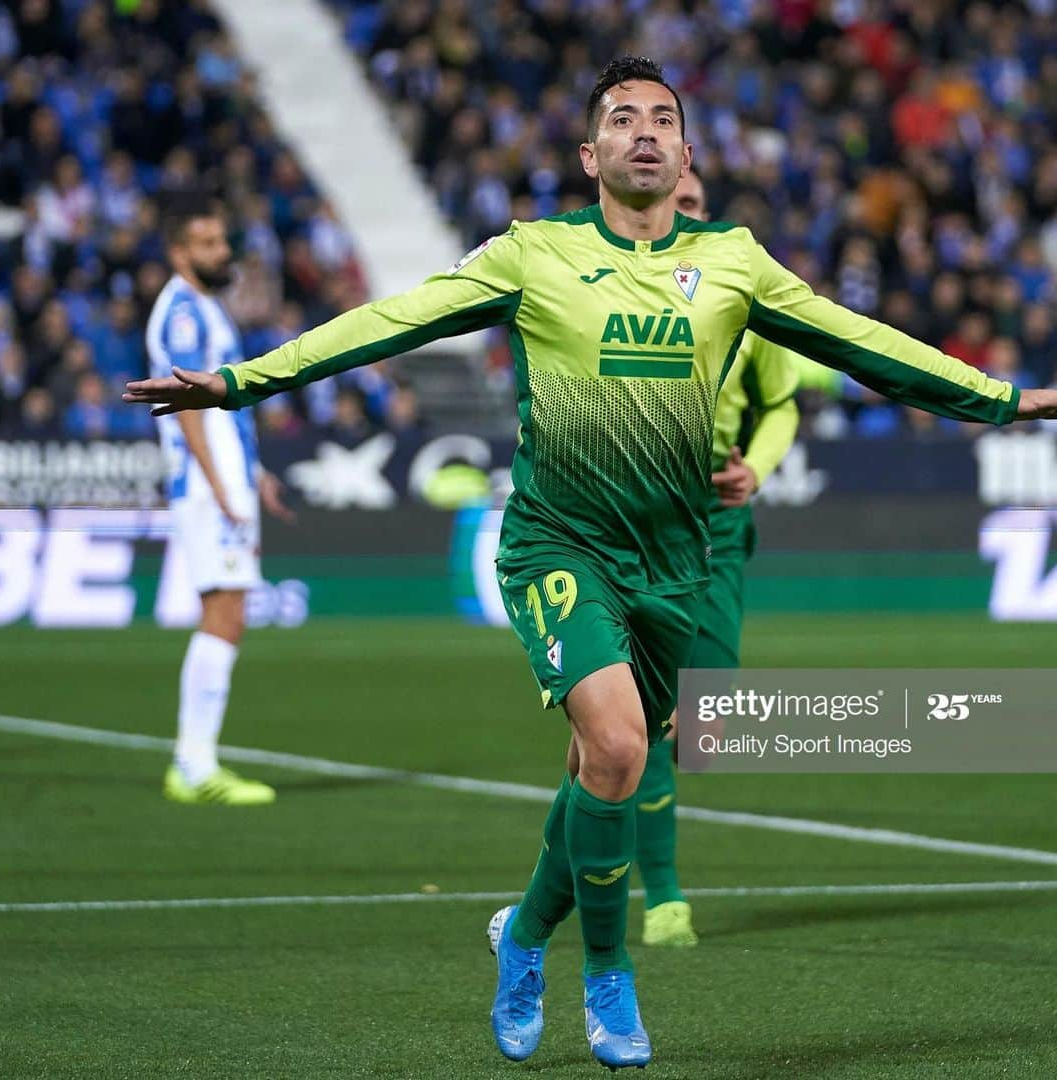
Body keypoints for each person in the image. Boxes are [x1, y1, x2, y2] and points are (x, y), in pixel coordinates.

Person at [124, 57, 1057, 1071]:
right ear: (591, 154)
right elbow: (389, 319)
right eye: (623, 118)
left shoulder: (735, 263)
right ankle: (607, 975)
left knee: (599, 773)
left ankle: (523, 933)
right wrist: (244, 382)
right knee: (618, 749)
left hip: (675, 560)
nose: (645, 132)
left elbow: (858, 340)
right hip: (558, 546)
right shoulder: (535, 256)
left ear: (689, 152)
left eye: (664, 119)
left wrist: (1002, 399)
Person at [632, 167, 803, 948]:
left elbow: (783, 403)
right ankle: (663, 896)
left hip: (716, 523)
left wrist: (757, 468)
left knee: (706, 721)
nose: (681, 212)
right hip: (630, 524)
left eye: (694, 204)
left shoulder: (744, 301)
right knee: (641, 713)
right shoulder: (609, 293)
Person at [145, 193, 291, 807]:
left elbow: (222, 406)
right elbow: (185, 405)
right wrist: (218, 483)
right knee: (224, 612)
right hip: (208, 486)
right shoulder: (182, 311)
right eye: (206, 243)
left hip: (226, 479)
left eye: (222, 240)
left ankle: (195, 760)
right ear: (179, 252)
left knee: (228, 611)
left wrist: (252, 475)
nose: (222, 252)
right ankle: (195, 764)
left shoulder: (203, 307)